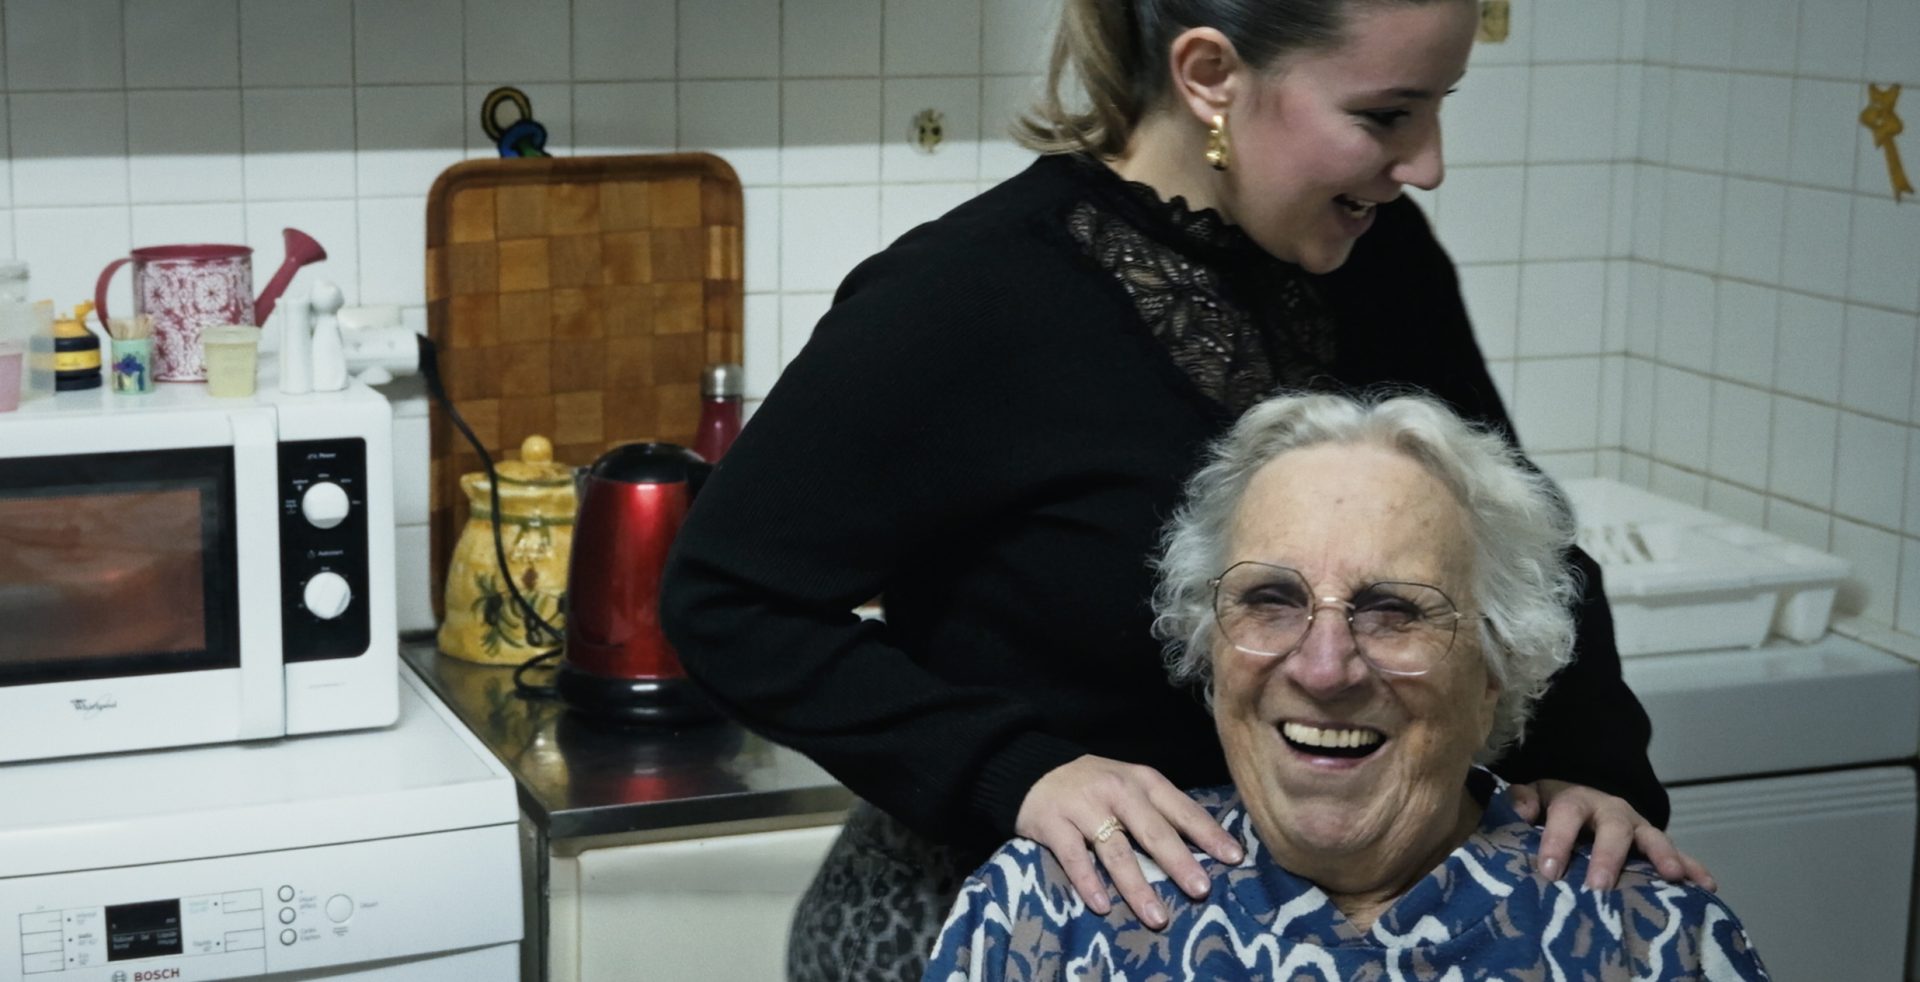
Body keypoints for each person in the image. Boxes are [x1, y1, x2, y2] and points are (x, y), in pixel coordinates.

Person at [661, 0, 1705, 976]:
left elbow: (1525, 552)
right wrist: (1014, 768)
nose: (1425, 165)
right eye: (1385, 114)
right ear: (1210, 73)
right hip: (1011, 922)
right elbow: (726, 596)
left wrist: (1594, 770)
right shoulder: (966, 296)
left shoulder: (1383, 262)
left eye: (1437, 108)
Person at [924, 392, 1767, 980]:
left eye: (1394, 610)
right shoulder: (1048, 914)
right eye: (1270, 599)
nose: (1324, 668)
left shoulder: (1648, 937)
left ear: (1495, 668)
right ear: (1209, 647)